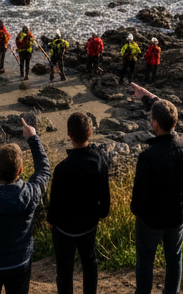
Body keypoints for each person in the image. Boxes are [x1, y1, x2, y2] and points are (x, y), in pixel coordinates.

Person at [129, 84, 183, 294]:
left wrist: (137, 212)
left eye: (151, 118)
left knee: (145, 261)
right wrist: (149, 98)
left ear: (154, 123)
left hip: (152, 220)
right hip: (178, 214)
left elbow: (139, 197)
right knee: (174, 258)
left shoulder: (148, 157)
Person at [0, 118, 51, 294]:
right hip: (20, 262)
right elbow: (44, 170)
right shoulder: (31, 194)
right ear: (20, 170)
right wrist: (33, 138)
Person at [47, 112, 110, 294]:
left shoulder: (62, 169)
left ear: (69, 135)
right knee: (89, 261)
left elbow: (55, 201)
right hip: (89, 224)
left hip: (65, 229)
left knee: (64, 268)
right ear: (90, 132)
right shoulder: (99, 162)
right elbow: (104, 196)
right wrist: (101, 213)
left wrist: (51, 220)